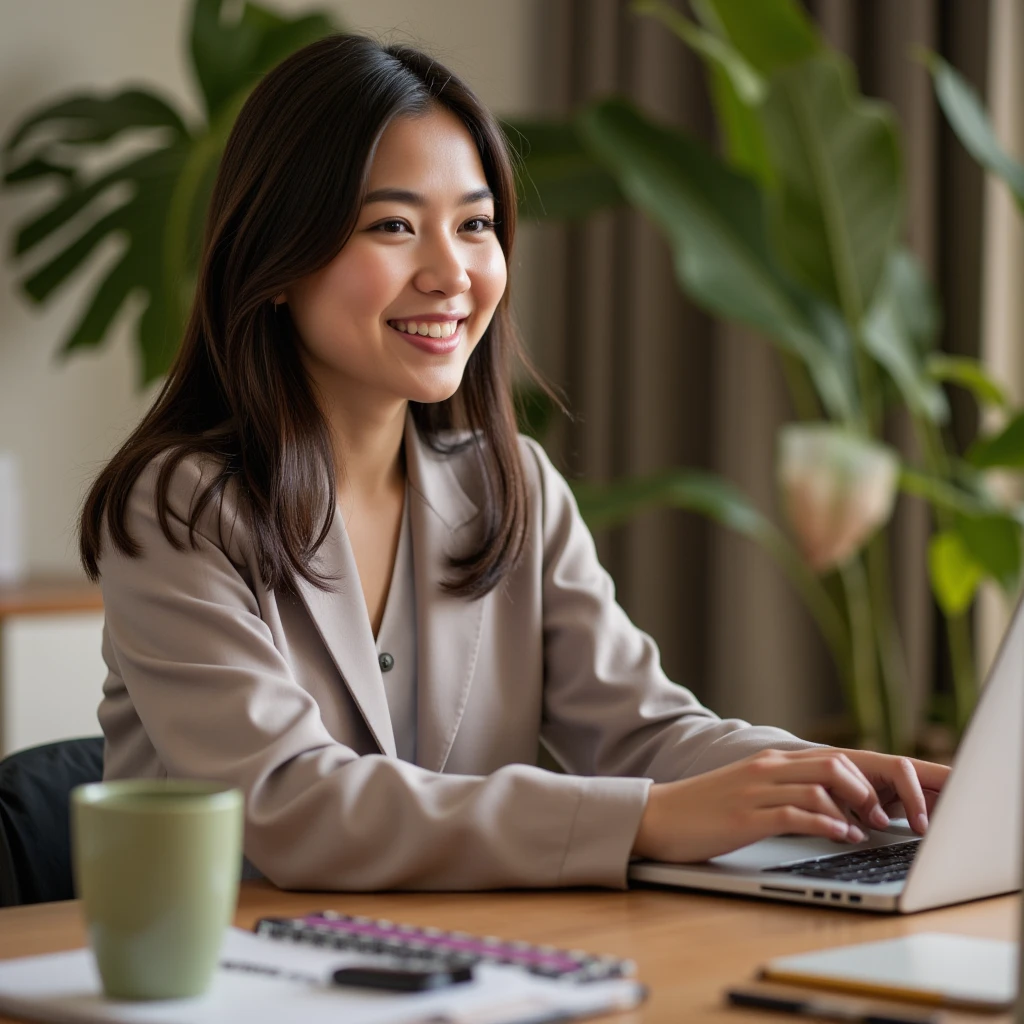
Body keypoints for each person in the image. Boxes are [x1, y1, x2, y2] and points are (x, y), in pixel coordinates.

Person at [79, 34, 948, 892]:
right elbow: (291, 807)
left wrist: (829, 776)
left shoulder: (512, 485)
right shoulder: (179, 510)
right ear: (275, 258)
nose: (450, 272)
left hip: (463, 968)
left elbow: (642, 730)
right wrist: (647, 819)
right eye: (393, 225)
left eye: (475, 225)